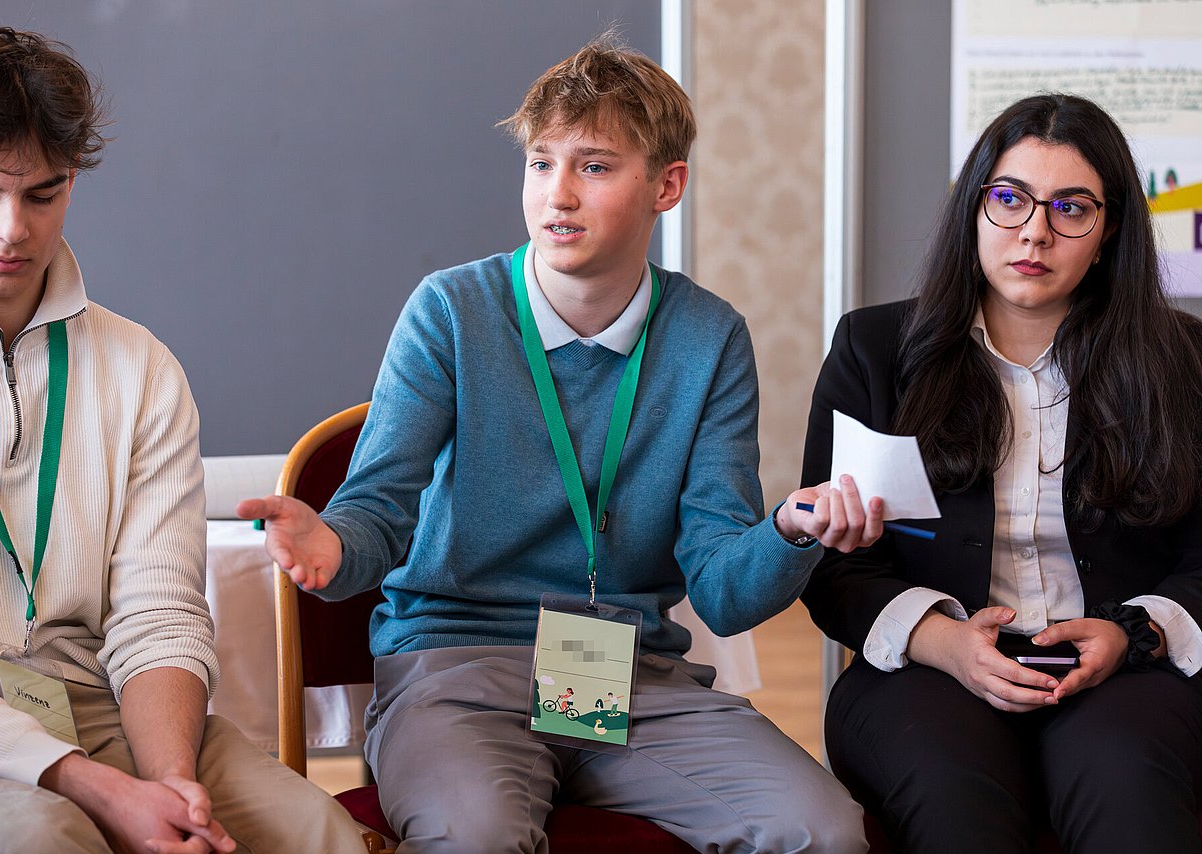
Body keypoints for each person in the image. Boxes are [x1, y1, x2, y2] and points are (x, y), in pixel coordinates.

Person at [241, 35, 881, 853]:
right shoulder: (451, 311)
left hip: (630, 672)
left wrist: (790, 530)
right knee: (475, 836)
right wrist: (334, 543)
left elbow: (720, 589)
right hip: (456, 664)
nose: (558, 194)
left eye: (595, 166)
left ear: (667, 186)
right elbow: (377, 510)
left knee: (822, 831)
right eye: (541, 163)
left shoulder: (709, 338)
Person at [0, 27, 366, 854]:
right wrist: (103, 792)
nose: (11, 228)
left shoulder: (142, 369)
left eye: (43, 194)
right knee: (46, 837)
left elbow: (160, 616)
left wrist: (170, 788)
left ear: (73, 183)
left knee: (318, 831)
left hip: (94, 699)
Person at [801, 93, 1202, 854]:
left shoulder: (1183, 361)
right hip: (926, 670)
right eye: (1011, 199)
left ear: (1109, 229)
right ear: (974, 207)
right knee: (956, 795)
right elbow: (833, 565)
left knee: (1126, 781)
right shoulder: (875, 349)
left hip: (1124, 670)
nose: (1035, 232)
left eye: (1072, 209)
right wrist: (942, 640)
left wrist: (1135, 635)